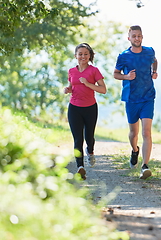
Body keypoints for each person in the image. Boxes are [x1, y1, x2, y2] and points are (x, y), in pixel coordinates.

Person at [113, 25, 158, 180]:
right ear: (129, 38)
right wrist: (126, 77)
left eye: (139, 36)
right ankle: (134, 150)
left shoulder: (149, 51)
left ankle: (145, 166)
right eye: (134, 36)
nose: (137, 38)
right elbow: (116, 74)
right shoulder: (124, 56)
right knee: (134, 133)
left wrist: (154, 71)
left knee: (146, 132)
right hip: (131, 98)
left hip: (147, 97)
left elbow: (155, 61)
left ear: (142, 37)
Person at [64, 43, 106, 180]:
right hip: (74, 107)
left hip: (90, 108)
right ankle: (80, 167)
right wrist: (67, 89)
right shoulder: (71, 71)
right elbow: (72, 86)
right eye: (80, 54)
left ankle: (90, 151)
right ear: (75, 55)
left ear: (90, 56)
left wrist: (87, 84)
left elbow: (103, 89)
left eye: (86, 54)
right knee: (77, 138)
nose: (83, 56)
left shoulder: (94, 71)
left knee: (89, 137)